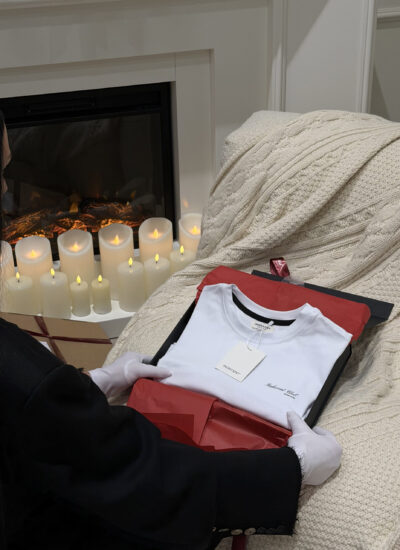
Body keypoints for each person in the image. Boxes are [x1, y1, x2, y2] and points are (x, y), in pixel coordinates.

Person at [0, 112, 342, 550]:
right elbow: (140, 479)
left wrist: (89, 386)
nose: (7, 193)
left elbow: (25, 424)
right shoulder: (22, 375)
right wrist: (292, 469)